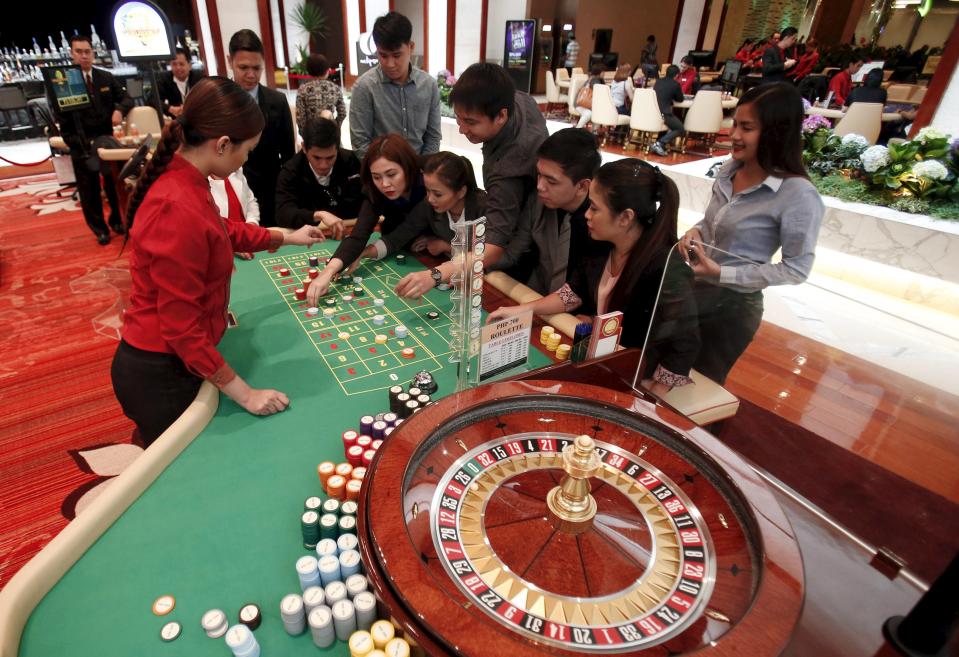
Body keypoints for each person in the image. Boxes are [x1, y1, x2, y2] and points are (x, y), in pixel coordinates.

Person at [111, 77, 325, 446]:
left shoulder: (187, 180)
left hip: (170, 362)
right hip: (161, 372)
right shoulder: (176, 206)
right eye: (248, 150)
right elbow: (181, 330)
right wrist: (246, 394)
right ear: (222, 144)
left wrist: (284, 235)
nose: (247, 159)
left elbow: (219, 230)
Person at [488, 158, 699, 397]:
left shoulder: (666, 266)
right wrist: (521, 310)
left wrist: (652, 395)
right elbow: (572, 293)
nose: (587, 214)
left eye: (595, 208)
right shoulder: (600, 245)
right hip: (604, 359)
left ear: (625, 217)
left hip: (636, 373)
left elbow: (686, 342)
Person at [679, 82, 825, 384]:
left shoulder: (798, 194)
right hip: (695, 290)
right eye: (734, 124)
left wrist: (722, 273)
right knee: (667, 371)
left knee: (699, 387)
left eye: (746, 128)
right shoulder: (730, 169)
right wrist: (695, 232)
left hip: (732, 310)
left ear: (776, 132)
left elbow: (796, 269)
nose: (733, 135)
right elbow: (712, 223)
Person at [448, 62, 548, 277]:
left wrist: (436, 274)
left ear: (501, 116)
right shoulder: (515, 97)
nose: (462, 129)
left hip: (534, 236)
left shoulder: (509, 167)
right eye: (458, 118)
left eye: (471, 122)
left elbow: (494, 245)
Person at [306, 134, 426, 305]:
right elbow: (358, 235)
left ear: (407, 168)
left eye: (391, 174)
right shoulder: (375, 192)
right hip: (403, 245)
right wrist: (328, 272)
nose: (384, 184)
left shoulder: (431, 180)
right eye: (377, 177)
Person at [365, 152, 489, 298]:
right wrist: (362, 253)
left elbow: (497, 256)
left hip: (493, 281)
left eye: (437, 194)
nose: (430, 199)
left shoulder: (486, 208)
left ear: (461, 191)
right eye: (427, 191)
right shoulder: (428, 206)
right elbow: (397, 237)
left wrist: (446, 246)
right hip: (458, 274)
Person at [54, 34, 133, 245]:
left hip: (105, 140)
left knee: (113, 183)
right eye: (78, 52)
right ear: (71, 54)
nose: (84, 56)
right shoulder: (62, 80)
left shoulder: (105, 77)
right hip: (79, 142)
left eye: (87, 51)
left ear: (93, 53)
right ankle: (100, 229)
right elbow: (59, 114)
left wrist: (119, 110)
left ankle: (117, 220)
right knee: (89, 191)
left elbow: (127, 99)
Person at [349, 11, 441, 160]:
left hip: (419, 171)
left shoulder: (428, 85)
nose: (390, 64)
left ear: (411, 47)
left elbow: (433, 138)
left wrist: (423, 169)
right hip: (381, 176)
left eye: (397, 55)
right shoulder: (365, 87)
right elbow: (360, 143)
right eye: (383, 55)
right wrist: (387, 173)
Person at [524, 128, 606, 295]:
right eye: (539, 175)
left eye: (551, 181)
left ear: (583, 186)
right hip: (532, 295)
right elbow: (518, 248)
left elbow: (583, 290)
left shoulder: (598, 226)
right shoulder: (538, 202)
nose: (540, 186)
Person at [227, 29, 295, 227]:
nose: (251, 74)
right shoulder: (218, 101)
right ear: (230, 61)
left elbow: (288, 154)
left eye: (257, 68)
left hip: (269, 191)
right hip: (229, 191)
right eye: (243, 67)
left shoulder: (278, 101)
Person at [275, 116, 363, 230]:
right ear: (304, 148)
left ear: (337, 149)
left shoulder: (352, 162)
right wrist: (317, 215)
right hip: (310, 236)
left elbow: (365, 202)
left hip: (350, 228)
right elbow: (282, 214)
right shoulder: (291, 172)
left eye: (330, 157)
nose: (323, 165)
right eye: (317, 158)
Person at [295, 53, 346, 134]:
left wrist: (305, 134)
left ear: (308, 71)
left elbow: (300, 118)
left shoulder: (302, 90)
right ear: (327, 71)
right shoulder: (335, 88)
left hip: (311, 134)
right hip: (330, 132)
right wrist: (335, 127)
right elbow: (342, 112)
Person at [155, 47, 204, 118]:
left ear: (189, 66)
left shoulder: (199, 78)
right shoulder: (165, 79)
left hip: (198, 117)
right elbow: (153, 99)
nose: (178, 68)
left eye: (181, 64)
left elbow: (207, 98)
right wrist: (170, 109)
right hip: (177, 120)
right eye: (174, 64)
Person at [650, 65, 684, 157]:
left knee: (670, 126)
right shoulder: (675, 84)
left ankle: (659, 143)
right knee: (680, 129)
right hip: (664, 113)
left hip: (654, 111)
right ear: (676, 75)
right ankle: (660, 143)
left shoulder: (658, 82)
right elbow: (680, 99)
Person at [574, 64, 606, 129]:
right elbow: (598, 92)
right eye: (603, 72)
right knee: (590, 114)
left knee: (597, 113)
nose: (604, 74)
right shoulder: (595, 80)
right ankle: (578, 129)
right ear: (600, 72)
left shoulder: (591, 78)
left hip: (582, 103)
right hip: (582, 105)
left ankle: (594, 131)